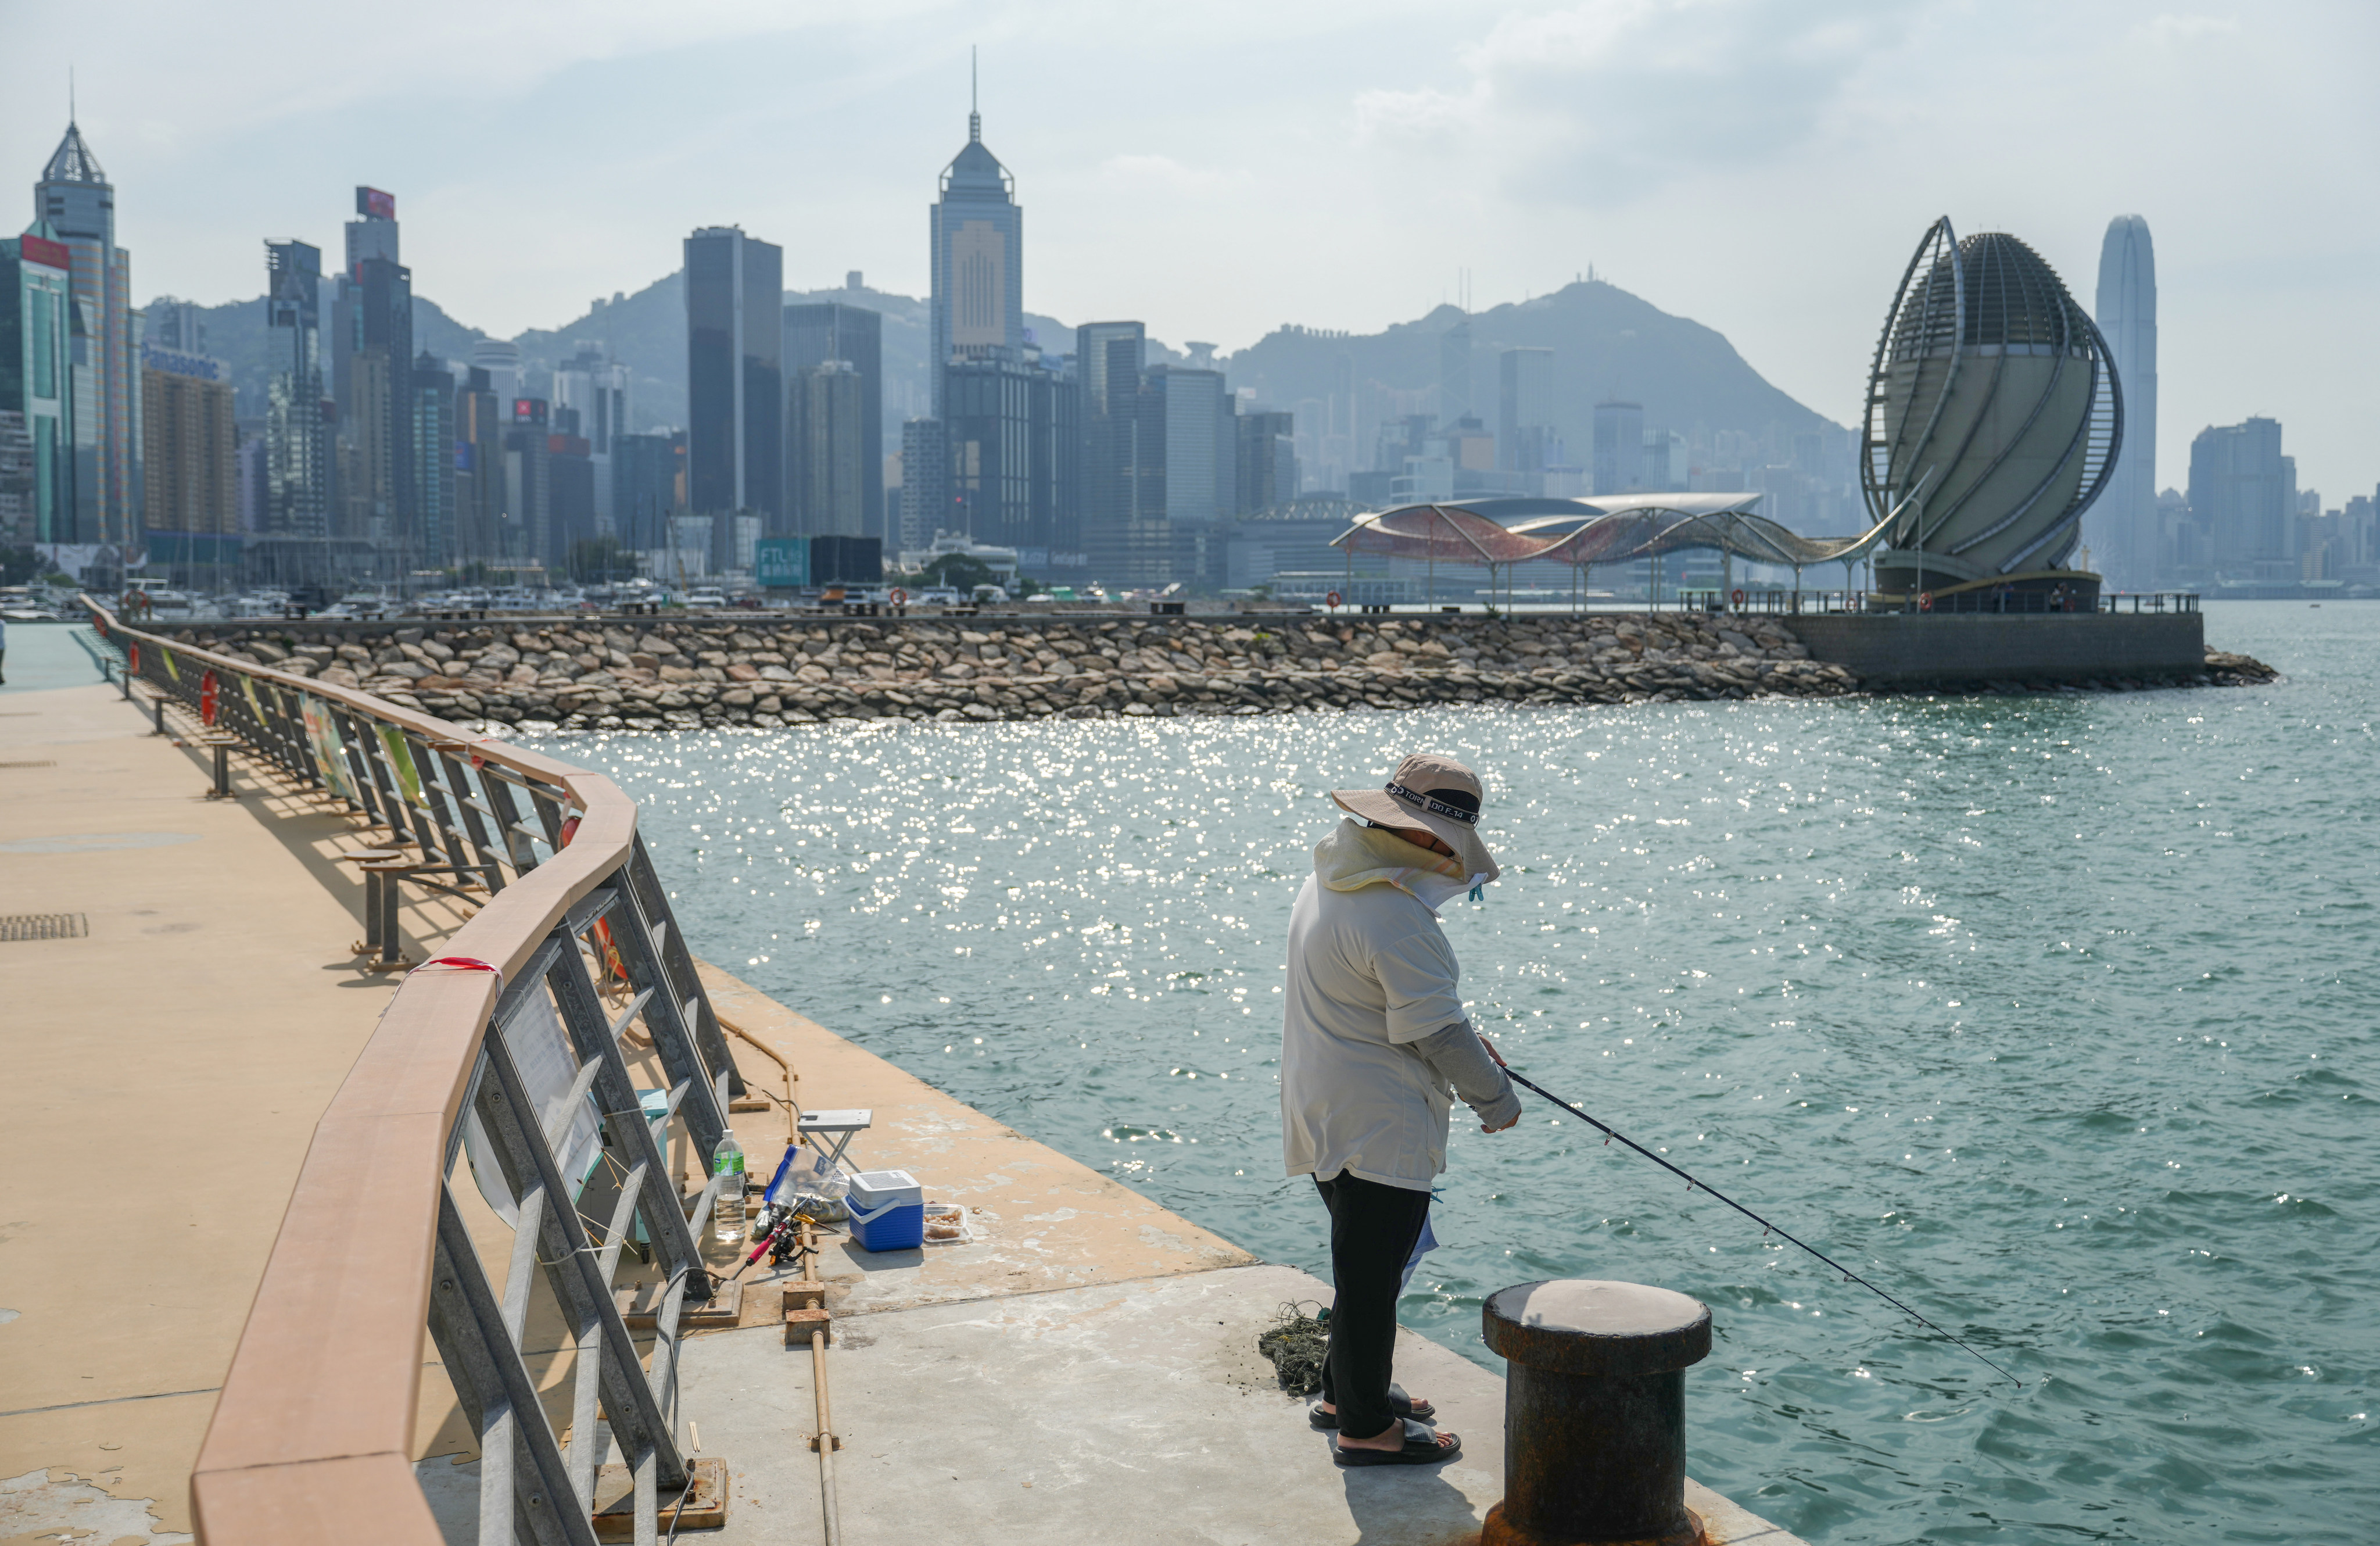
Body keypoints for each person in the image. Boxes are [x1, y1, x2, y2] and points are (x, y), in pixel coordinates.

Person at [1280, 752, 1522, 1468]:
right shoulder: (1394, 914)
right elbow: (1437, 1030)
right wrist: (1496, 1098)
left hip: (1323, 1105)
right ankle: (1363, 1425)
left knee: (1363, 1269)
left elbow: (1394, 999)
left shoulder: (1331, 874)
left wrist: (1456, 1039)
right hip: (1379, 1124)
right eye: (1446, 843)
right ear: (1420, 837)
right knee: (1372, 1279)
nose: (1451, 857)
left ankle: (1345, 1391)